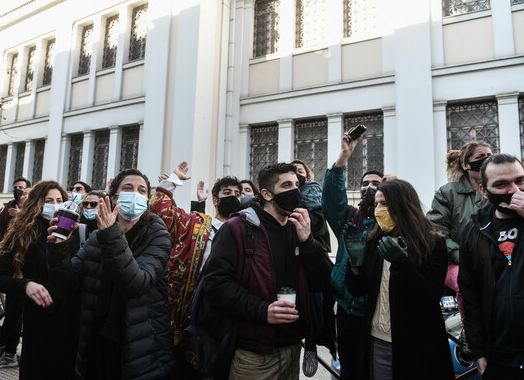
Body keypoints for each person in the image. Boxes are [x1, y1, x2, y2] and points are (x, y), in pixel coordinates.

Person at [203, 162, 333, 379]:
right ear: (267, 194)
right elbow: (215, 285)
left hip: (293, 348)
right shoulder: (238, 229)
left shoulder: (296, 228)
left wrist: (308, 241)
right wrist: (262, 310)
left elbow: (321, 281)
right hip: (254, 355)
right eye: (286, 185)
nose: (295, 191)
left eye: (296, 185)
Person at [47, 169, 176, 379]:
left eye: (141, 190)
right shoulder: (97, 236)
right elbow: (67, 284)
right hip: (96, 341)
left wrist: (110, 233)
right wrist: (59, 248)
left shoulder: (157, 235)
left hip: (139, 346)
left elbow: (136, 284)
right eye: (128, 188)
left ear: (147, 199)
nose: (135, 194)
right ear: (113, 197)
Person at [344, 179, 454, 380]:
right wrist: (355, 265)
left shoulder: (432, 243)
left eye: (385, 204)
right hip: (379, 341)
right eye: (377, 204)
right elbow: (358, 291)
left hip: (418, 344)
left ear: (403, 205)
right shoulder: (372, 241)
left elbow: (430, 298)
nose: (378, 210)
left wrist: (403, 265)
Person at [0, 180, 80, 379]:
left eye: (59, 200)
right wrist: (26, 285)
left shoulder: (74, 232)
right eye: (48, 200)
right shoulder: (22, 232)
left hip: (71, 318)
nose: (55, 205)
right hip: (38, 318)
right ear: (36, 203)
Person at [150, 161, 242, 345]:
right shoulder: (195, 223)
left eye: (237, 194)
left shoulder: (245, 233)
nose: (233, 196)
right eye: (227, 193)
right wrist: (173, 181)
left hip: (226, 311)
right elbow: (160, 210)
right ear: (215, 200)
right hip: (188, 306)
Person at [322, 132, 385, 380]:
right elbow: (331, 198)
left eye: (377, 184)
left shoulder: (390, 221)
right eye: (366, 183)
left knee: (375, 369)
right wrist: (343, 157)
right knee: (350, 369)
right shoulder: (349, 217)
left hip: (376, 309)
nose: (370, 187)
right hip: (347, 310)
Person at [459, 153, 524, 379]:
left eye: (520, 181)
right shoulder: (473, 230)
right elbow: (470, 294)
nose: (514, 190)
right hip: (498, 356)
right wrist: (478, 351)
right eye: (502, 184)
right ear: (484, 191)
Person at [426, 140, 492, 365]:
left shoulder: (497, 187)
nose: (487, 159)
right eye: (481, 156)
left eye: (490, 154)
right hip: (456, 261)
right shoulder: (448, 192)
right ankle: (469, 333)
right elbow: (436, 230)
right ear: (466, 164)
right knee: (468, 281)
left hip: (494, 259)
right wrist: (460, 255)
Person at [0, 177, 31, 332]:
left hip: (17, 259)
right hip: (1, 249)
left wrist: (20, 215)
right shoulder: (9, 204)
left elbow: (30, 231)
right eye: (16, 187)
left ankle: (8, 344)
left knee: (14, 303)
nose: (19, 191)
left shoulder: (33, 211)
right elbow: (1, 225)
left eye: (22, 188)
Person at [291, 159, 331, 253]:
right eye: (292, 172)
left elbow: (316, 223)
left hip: (316, 248)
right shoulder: (287, 195)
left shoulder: (313, 192)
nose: (296, 174)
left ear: (307, 178)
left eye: (300, 171)